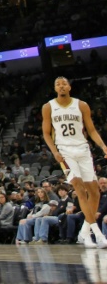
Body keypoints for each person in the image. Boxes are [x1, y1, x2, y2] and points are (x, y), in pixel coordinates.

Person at [42, 76, 107, 248]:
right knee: (79, 187)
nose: (61, 86)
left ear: (69, 87)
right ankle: (98, 234)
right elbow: (47, 133)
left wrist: (103, 146)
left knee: (94, 192)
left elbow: (91, 130)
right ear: (55, 88)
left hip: (83, 149)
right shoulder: (48, 107)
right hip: (65, 151)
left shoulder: (81, 105)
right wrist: (55, 151)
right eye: (58, 84)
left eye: (64, 84)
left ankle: (84, 232)